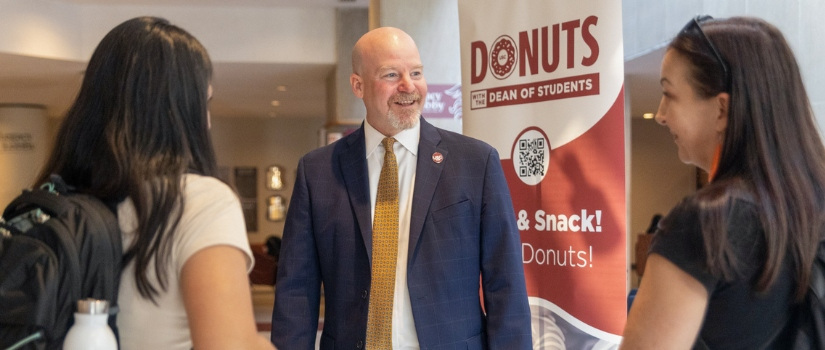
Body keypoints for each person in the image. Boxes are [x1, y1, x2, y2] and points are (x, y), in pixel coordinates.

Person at [271, 27, 532, 349]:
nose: (409, 86)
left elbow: (505, 282)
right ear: (358, 85)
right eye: (392, 74)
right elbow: (297, 289)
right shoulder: (318, 171)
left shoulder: (475, 163)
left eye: (417, 72)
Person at [34, 17, 274, 350]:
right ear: (181, 111)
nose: (206, 121)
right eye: (204, 103)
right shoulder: (199, 201)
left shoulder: (58, 200)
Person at [621, 16, 825, 349]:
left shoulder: (705, 221)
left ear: (721, 109)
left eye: (669, 95)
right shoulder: (810, 206)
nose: (660, 114)